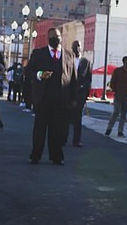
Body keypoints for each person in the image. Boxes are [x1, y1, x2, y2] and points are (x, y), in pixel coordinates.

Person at [27, 28, 78, 165]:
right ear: (48, 38)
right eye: (52, 37)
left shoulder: (69, 55)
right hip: (43, 98)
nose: (56, 39)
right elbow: (29, 71)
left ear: (61, 38)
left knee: (58, 130)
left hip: (61, 99)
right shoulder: (38, 54)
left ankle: (56, 156)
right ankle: (35, 155)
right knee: (40, 129)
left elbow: (73, 78)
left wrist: (74, 98)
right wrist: (39, 75)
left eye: (58, 36)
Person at [65, 40, 92, 147]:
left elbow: (88, 79)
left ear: (81, 47)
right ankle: (63, 138)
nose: (76, 48)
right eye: (74, 46)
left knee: (77, 118)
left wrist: (84, 89)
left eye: (78, 46)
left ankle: (76, 140)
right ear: (72, 48)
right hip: (68, 93)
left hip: (80, 94)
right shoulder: (67, 60)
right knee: (66, 118)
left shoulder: (86, 62)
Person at [105, 56, 127, 138]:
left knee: (123, 114)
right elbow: (112, 83)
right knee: (116, 112)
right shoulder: (117, 71)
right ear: (125, 62)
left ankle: (120, 131)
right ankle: (109, 129)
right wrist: (116, 91)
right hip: (118, 95)